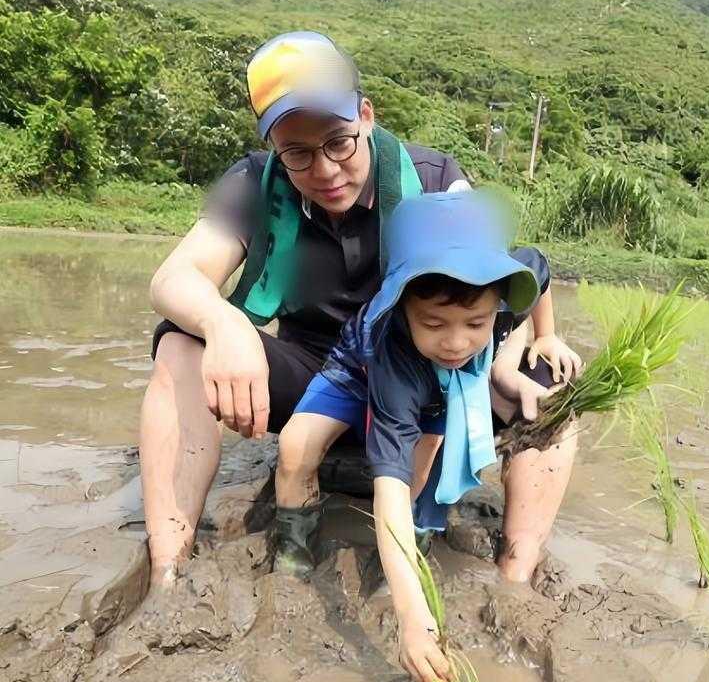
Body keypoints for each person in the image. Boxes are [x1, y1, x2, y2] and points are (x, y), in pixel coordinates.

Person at [142, 30, 469, 587]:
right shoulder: (255, 182)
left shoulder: (435, 181)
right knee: (181, 338)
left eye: (339, 141)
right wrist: (225, 324)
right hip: (309, 386)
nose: (323, 169)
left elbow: (484, 290)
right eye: (297, 152)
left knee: (545, 376)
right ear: (274, 148)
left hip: (412, 388)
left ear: (366, 116)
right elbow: (175, 277)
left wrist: (533, 341)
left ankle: (518, 572)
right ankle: (167, 566)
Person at [275, 191, 582, 682]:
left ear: (499, 300)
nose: (457, 341)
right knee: (294, 451)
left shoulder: (500, 291)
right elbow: (387, 489)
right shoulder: (396, 354)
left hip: (438, 385)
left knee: (424, 461)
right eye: (434, 323)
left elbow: (538, 267)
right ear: (401, 306)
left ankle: (405, 555)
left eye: (476, 324)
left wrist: (545, 334)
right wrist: (411, 615)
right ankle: (291, 556)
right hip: (356, 370)